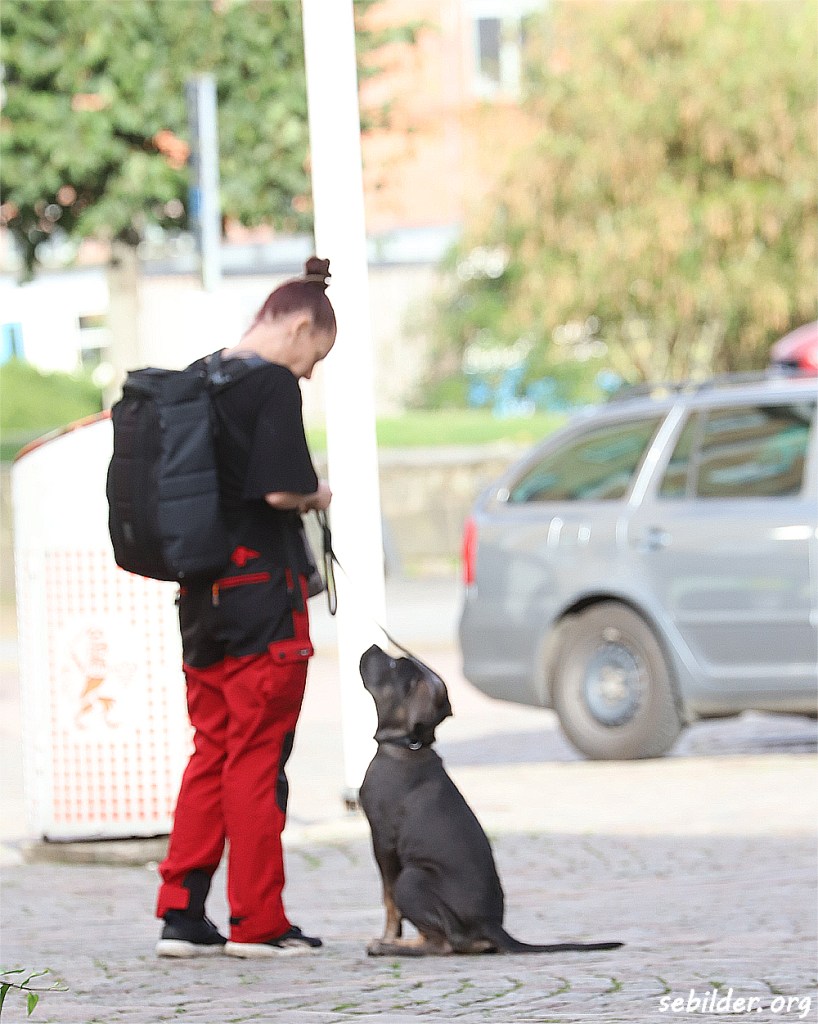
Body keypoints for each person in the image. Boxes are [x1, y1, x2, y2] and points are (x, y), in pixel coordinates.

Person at [155, 257, 336, 959]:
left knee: (212, 751)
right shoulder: (271, 385)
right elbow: (280, 490)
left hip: (201, 598)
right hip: (264, 600)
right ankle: (258, 923)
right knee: (257, 759)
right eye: (315, 357)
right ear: (298, 327)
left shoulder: (198, 378)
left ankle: (181, 913)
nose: (309, 374)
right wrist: (318, 494)